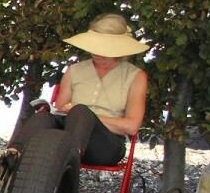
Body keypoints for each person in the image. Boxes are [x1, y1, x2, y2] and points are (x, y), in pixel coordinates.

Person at [10, 13, 149, 165]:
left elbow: (131, 126)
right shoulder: (75, 70)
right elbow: (60, 110)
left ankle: (67, 161)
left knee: (81, 112)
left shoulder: (135, 76)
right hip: (67, 135)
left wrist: (89, 117)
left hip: (106, 145)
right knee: (43, 117)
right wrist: (67, 112)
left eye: (103, 48)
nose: (96, 52)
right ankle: (12, 156)